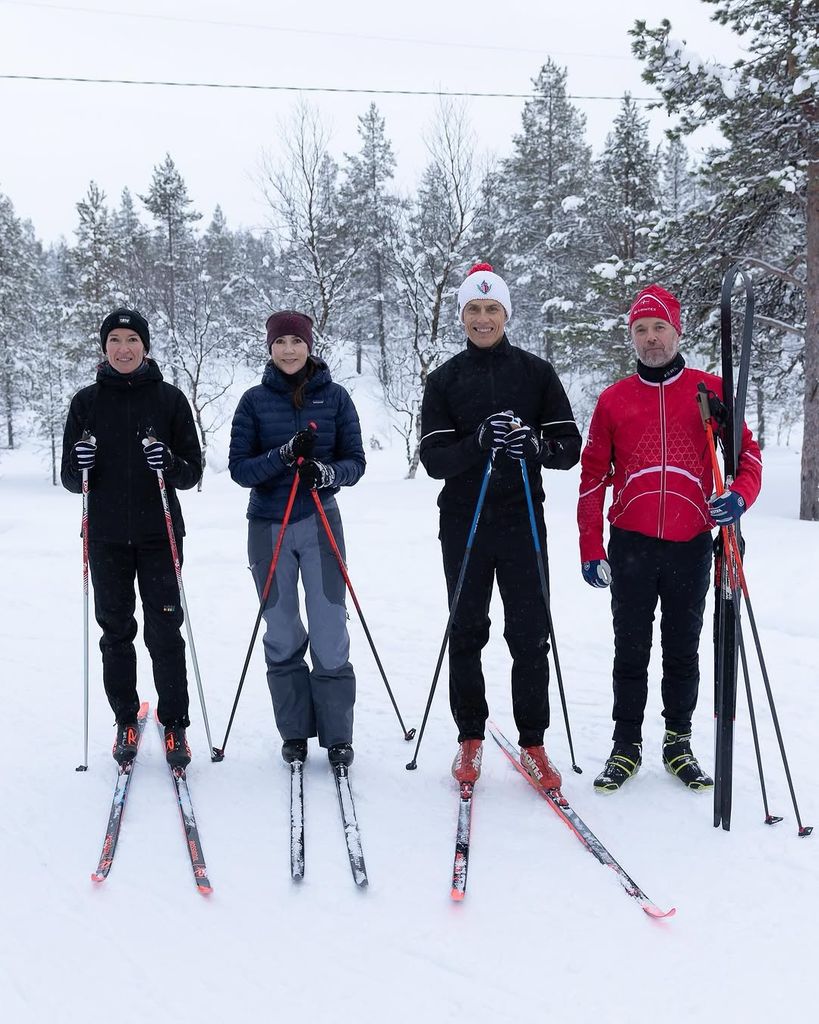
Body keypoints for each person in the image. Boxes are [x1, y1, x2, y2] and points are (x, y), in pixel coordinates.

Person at [577, 284, 763, 794]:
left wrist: (739, 498)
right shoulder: (614, 399)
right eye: (641, 329)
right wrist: (590, 546)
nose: (651, 338)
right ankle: (626, 744)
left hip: (691, 543)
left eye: (660, 327)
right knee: (630, 650)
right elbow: (593, 477)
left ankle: (678, 741)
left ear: (677, 331)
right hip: (631, 544)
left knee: (683, 649)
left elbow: (748, 457)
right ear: (631, 337)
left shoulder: (709, 390)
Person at [419, 262, 582, 790]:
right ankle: (470, 738)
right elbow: (434, 459)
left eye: (492, 309)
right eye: (473, 310)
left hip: (521, 523)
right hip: (464, 524)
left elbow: (569, 448)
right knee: (466, 631)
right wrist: (479, 443)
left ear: (506, 314)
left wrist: (535, 444)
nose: (482, 318)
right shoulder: (444, 380)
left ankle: (533, 742)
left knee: (530, 636)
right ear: (462, 316)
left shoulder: (536, 373)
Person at [61, 308, 203, 768]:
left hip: (159, 534)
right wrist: (81, 463)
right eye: (115, 340)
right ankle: (125, 716)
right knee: (116, 632)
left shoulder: (169, 400)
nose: (124, 348)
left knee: (165, 630)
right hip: (104, 538)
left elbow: (191, 472)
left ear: (145, 345)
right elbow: (68, 477)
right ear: (104, 348)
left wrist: (169, 463)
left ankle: (175, 723)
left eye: (132, 340)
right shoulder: (86, 402)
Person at [228, 310, 366, 767]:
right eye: (280, 341)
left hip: (320, 521)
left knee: (330, 628)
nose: (289, 349)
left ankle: (338, 736)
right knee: (282, 630)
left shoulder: (336, 398)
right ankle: (294, 732)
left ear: (310, 345)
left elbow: (355, 461)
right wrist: (283, 455)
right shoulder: (252, 401)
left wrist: (324, 473)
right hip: (268, 526)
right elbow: (240, 469)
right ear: (269, 348)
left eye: (296, 341)